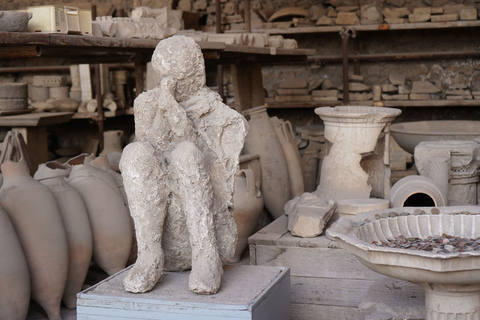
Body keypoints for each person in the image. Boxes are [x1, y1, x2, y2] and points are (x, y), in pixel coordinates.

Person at [120, 35, 248, 295]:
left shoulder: (218, 113)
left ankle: (205, 255)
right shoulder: (146, 103)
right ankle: (149, 254)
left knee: (186, 153)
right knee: (134, 152)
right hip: (162, 195)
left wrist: (173, 110)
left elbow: (199, 154)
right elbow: (152, 148)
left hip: (197, 199)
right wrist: (162, 108)